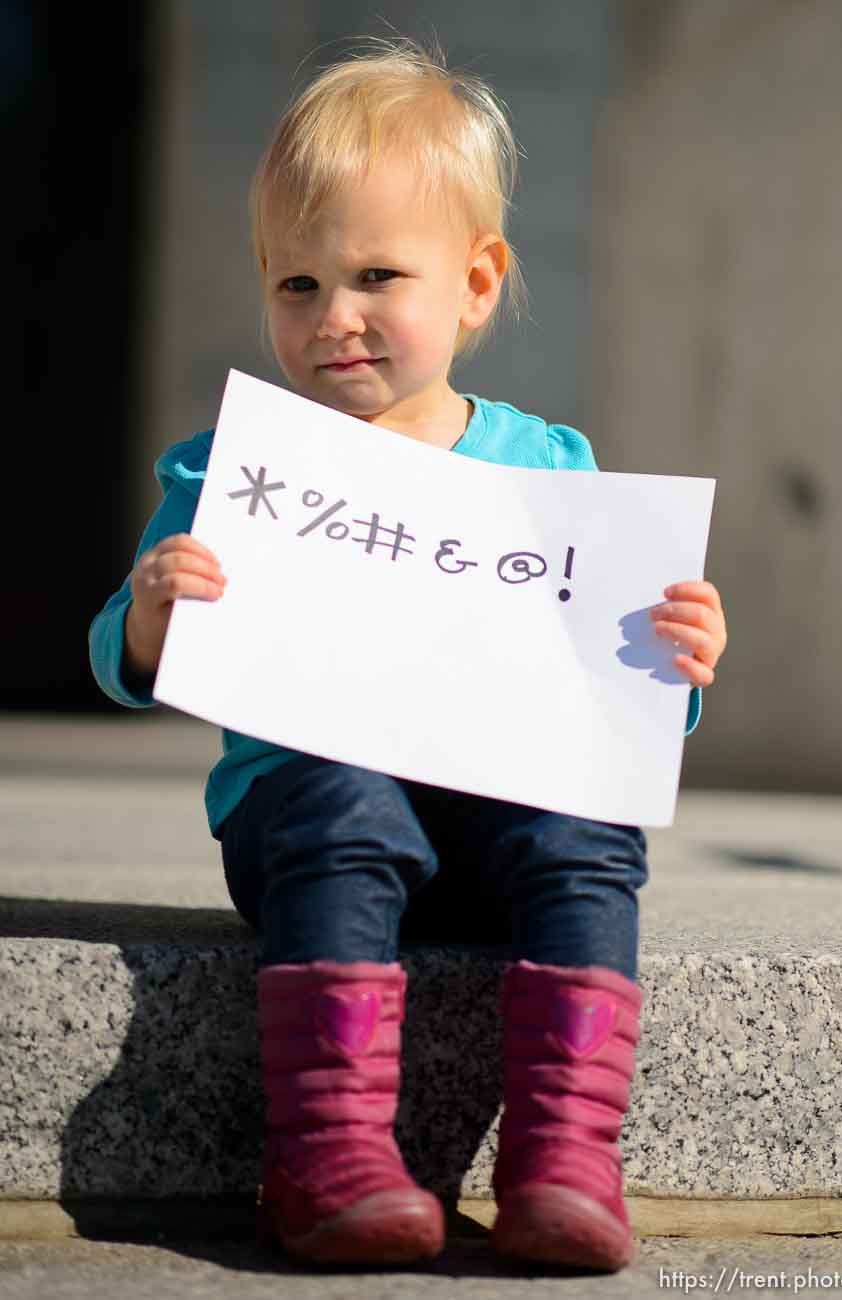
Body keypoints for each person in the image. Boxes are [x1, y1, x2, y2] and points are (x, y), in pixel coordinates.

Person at [89, 35, 727, 1272]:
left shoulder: (550, 470)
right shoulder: (233, 472)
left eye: (378, 274)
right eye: (296, 286)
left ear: (477, 284)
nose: (336, 319)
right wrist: (152, 612)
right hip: (310, 836)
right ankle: (326, 1154)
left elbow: (617, 701)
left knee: (590, 832)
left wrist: (679, 658)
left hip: (496, 836)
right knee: (338, 792)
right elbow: (125, 654)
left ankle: (564, 1159)